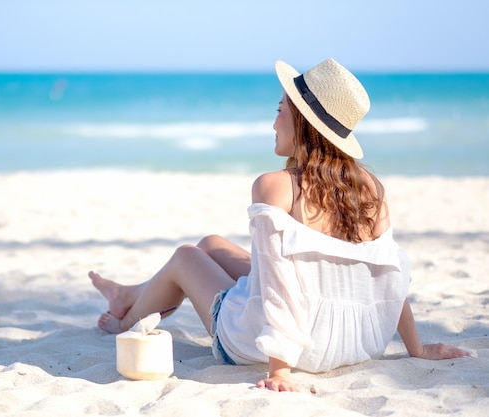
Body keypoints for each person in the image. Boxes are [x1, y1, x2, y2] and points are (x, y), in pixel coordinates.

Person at [88, 58, 471, 392]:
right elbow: (387, 274)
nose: (274, 122)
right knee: (211, 243)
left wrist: (280, 369)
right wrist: (416, 349)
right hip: (353, 342)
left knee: (186, 256)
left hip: (271, 341)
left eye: (280, 110)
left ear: (302, 123)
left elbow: (276, 283)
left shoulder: (274, 186)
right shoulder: (372, 190)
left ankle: (126, 321)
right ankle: (129, 295)